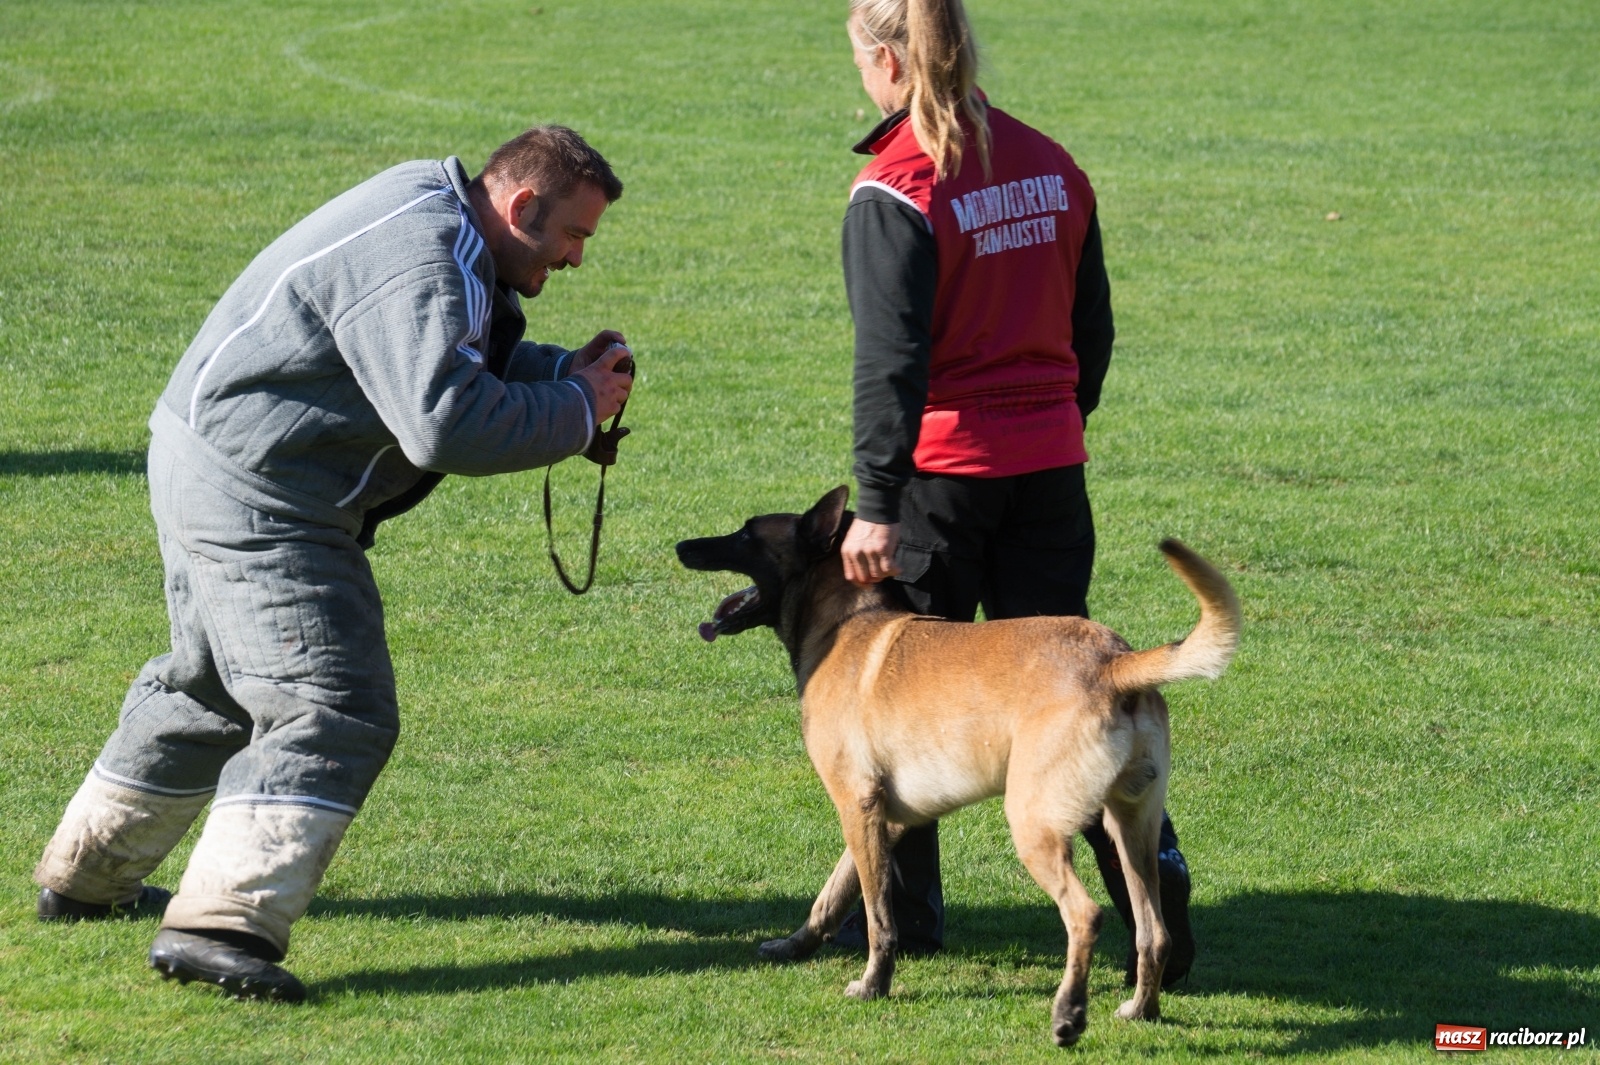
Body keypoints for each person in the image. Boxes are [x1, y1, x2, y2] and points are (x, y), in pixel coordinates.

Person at [32, 125, 635, 1003]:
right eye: (575, 235)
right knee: (332, 701)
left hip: (211, 454)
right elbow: (444, 420)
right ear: (523, 206)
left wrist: (558, 376)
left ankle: (86, 876)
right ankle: (219, 927)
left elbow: (440, 359)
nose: (579, 258)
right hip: (266, 491)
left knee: (210, 687)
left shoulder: (440, 222)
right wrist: (575, 409)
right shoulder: (426, 253)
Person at [830, 0, 1196, 985]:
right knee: (1073, 700)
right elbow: (1094, 329)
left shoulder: (894, 186)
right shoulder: (1050, 162)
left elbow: (889, 364)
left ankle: (906, 929)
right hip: (1048, 475)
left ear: (886, 62)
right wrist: (1057, 422)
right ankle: (1156, 897)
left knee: (910, 710)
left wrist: (874, 498)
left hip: (941, 486)